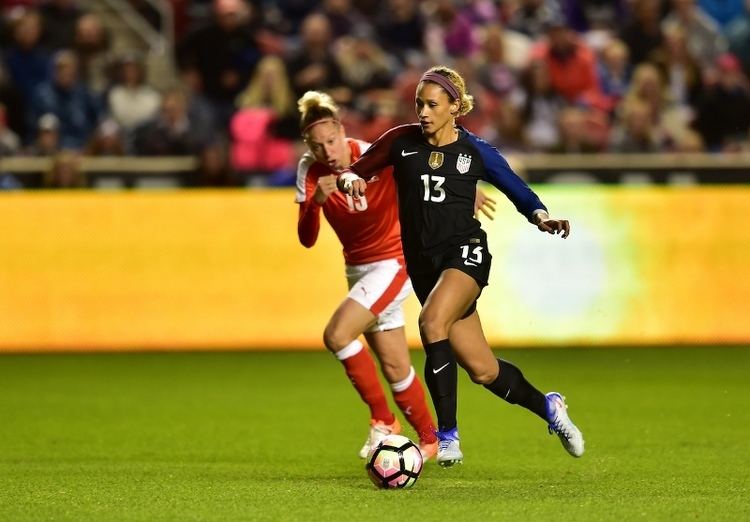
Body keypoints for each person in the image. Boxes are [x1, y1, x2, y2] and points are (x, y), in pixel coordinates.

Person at [337, 65, 585, 467]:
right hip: (425, 266)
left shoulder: (476, 151)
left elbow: (514, 187)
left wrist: (541, 216)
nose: (423, 111)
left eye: (432, 104)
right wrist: (351, 181)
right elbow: (356, 170)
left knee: (432, 322)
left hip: (466, 253)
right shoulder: (400, 143)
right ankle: (550, 408)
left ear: (455, 107)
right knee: (484, 370)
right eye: (419, 103)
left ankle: (448, 435)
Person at [295, 90, 439, 460]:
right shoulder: (310, 171)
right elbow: (306, 239)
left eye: (331, 141)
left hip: (393, 261)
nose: (328, 152)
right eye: (318, 146)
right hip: (357, 268)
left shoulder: (373, 155)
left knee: (338, 334)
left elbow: (422, 170)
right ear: (308, 146)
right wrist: (315, 203)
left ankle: (384, 421)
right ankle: (431, 441)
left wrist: (463, 194)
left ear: (342, 132)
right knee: (395, 366)